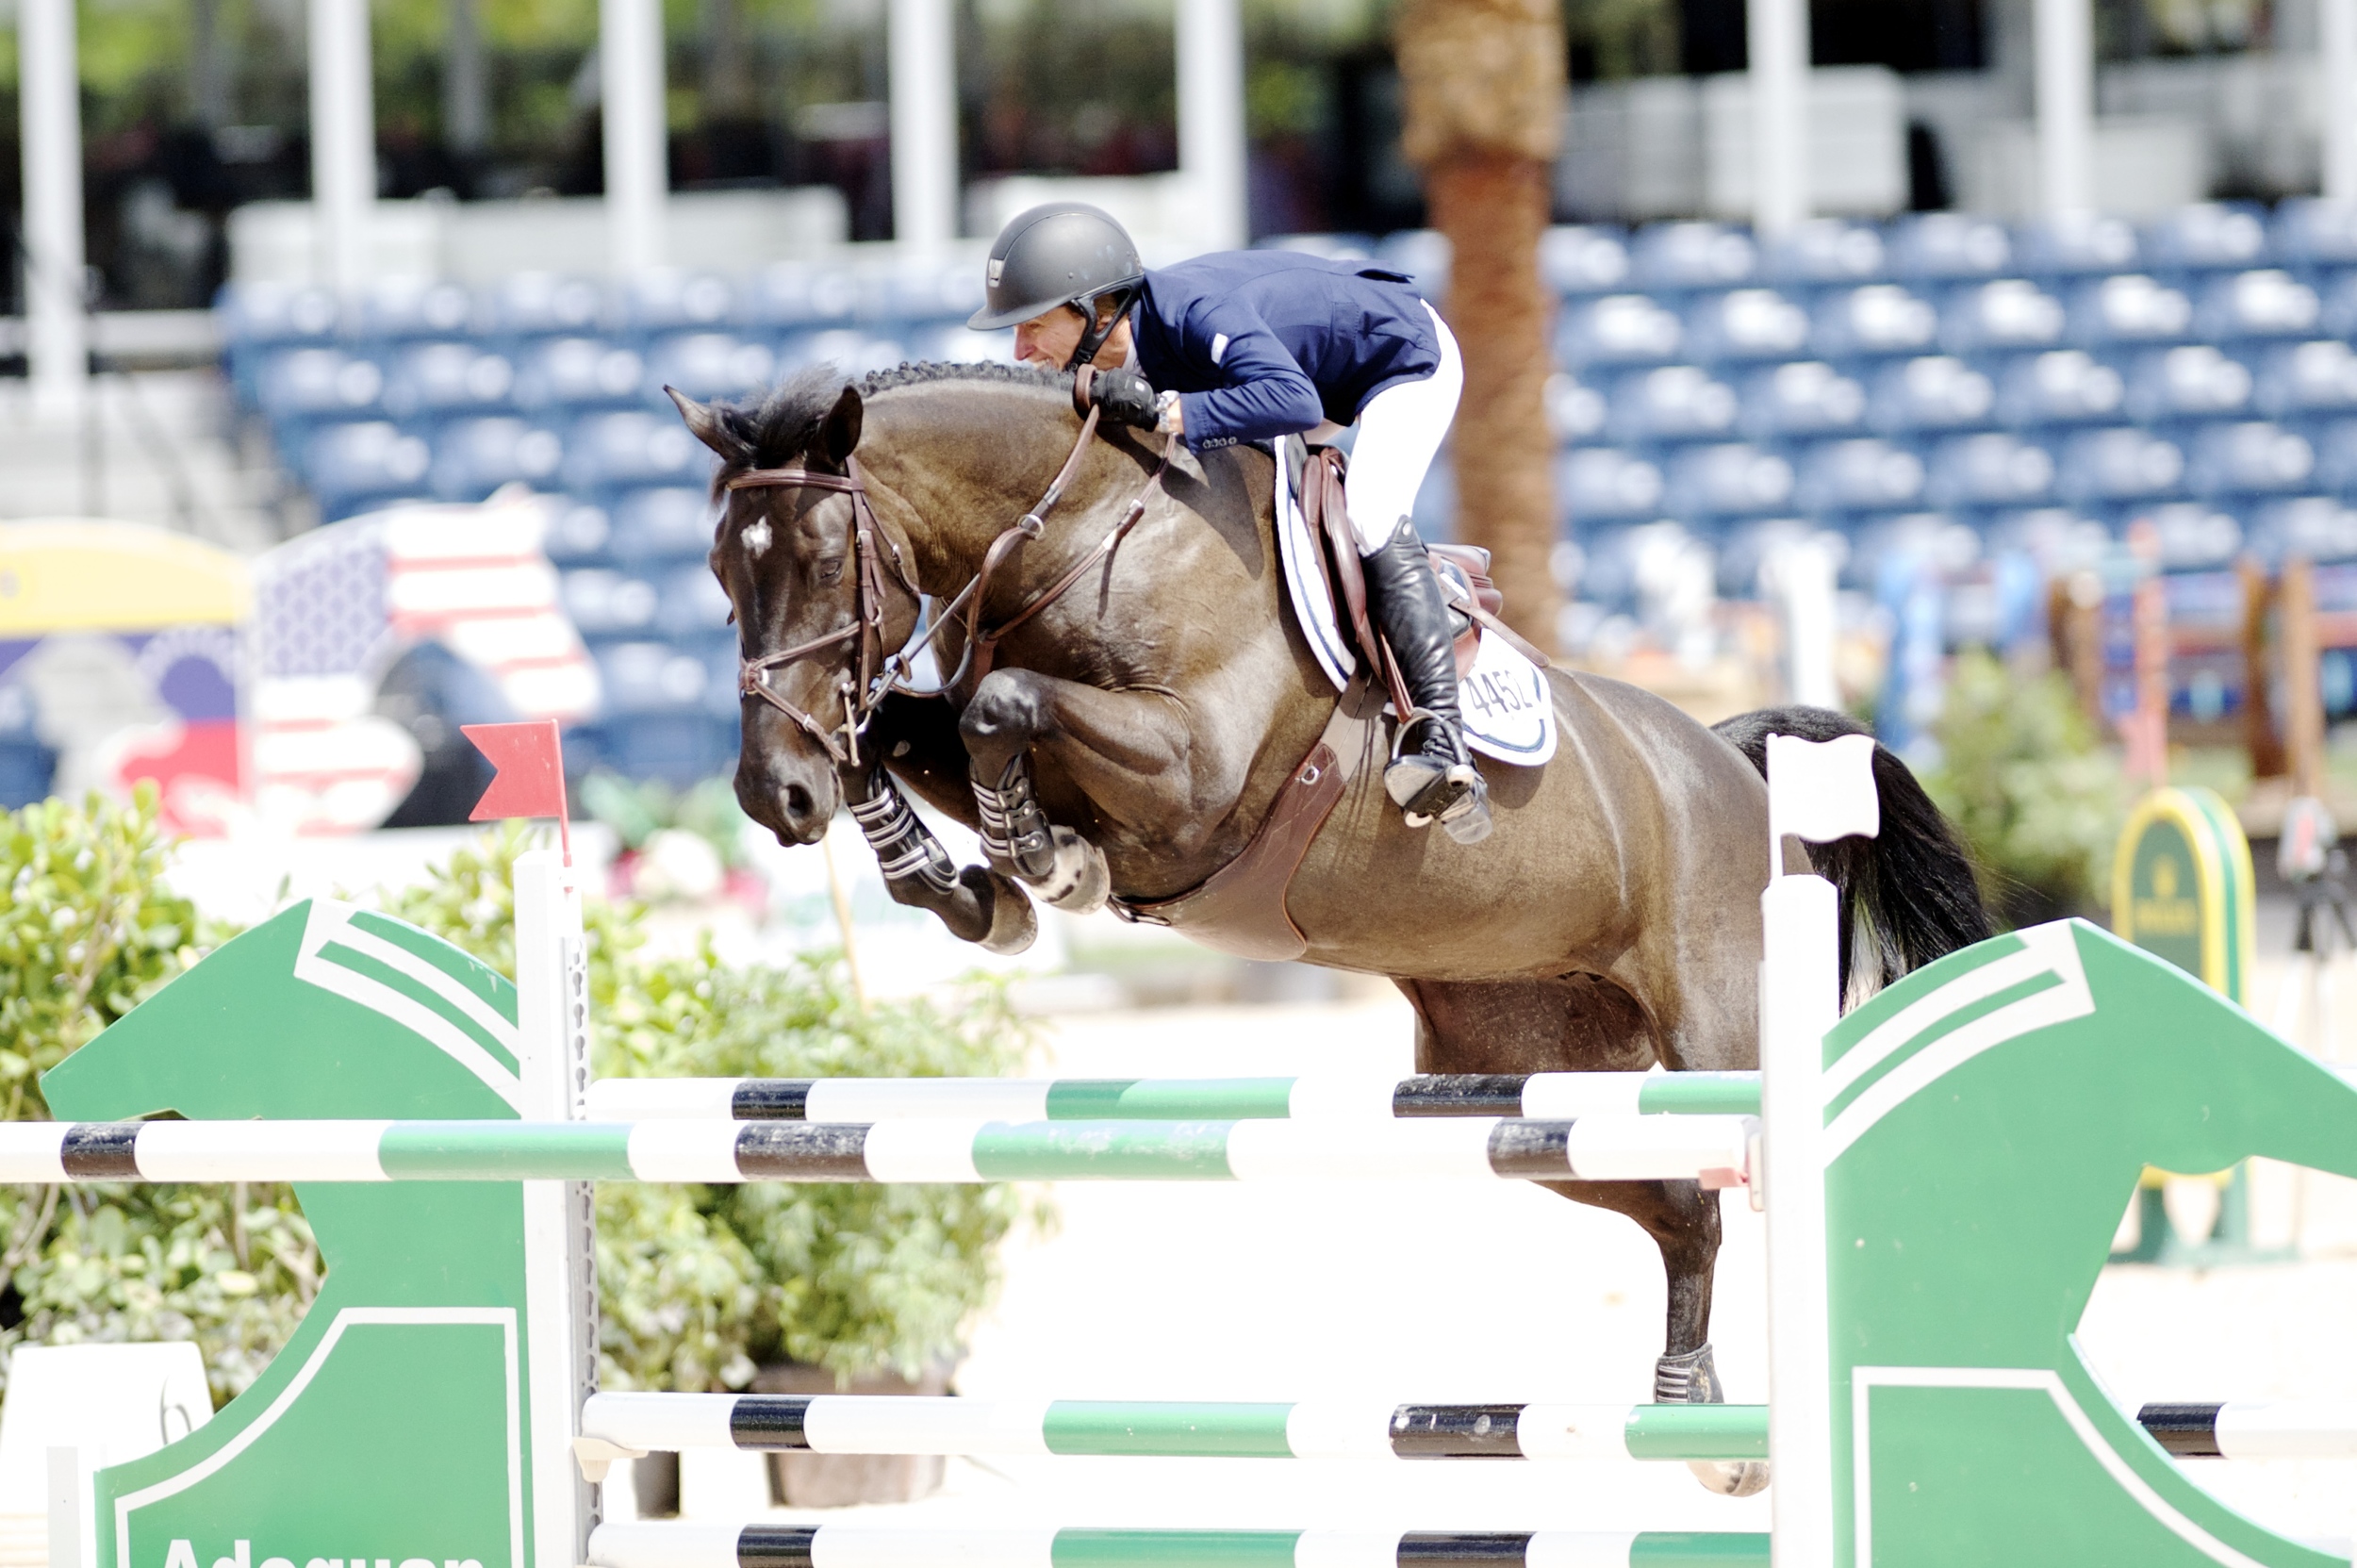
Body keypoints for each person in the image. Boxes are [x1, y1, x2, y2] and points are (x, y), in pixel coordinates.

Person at [968, 201, 1490, 845]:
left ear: (1093, 309)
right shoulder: (1106, 348)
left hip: (1398, 360)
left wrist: (1167, 410)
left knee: (1370, 515)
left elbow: (1294, 400)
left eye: (1033, 327)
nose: (1020, 350)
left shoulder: (1191, 314)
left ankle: (1442, 733)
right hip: (1307, 375)